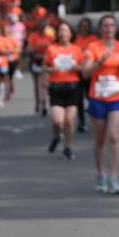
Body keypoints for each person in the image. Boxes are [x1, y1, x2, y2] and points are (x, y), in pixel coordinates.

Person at [82, 14, 119, 194]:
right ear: (100, 29)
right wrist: (99, 62)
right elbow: (85, 73)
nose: (108, 28)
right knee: (100, 139)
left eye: (111, 25)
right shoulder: (92, 47)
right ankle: (100, 174)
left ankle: (114, 176)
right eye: (105, 25)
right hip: (97, 97)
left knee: (114, 135)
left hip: (117, 97)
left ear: (115, 29)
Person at [44, 22, 84, 160]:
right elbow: (45, 66)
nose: (63, 33)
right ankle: (56, 136)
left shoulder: (76, 49)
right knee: (57, 121)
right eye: (60, 30)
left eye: (65, 30)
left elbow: (83, 67)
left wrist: (76, 68)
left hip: (72, 87)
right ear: (57, 34)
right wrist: (51, 70)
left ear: (70, 34)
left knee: (69, 121)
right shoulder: (51, 49)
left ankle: (68, 147)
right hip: (56, 87)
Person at [73, 17, 98, 133]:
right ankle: (81, 122)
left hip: (90, 73)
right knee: (78, 98)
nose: (84, 28)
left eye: (86, 26)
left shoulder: (94, 40)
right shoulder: (75, 40)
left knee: (91, 96)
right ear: (79, 27)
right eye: (82, 26)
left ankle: (96, 118)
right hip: (78, 72)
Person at [25, 21, 53, 115]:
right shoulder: (33, 36)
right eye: (41, 27)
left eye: (44, 27)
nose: (42, 28)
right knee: (37, 85)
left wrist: (44, 54)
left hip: (45, 63)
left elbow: (52, 49)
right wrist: (36, 51)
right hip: (35, 62)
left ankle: (43, 104)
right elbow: (29, 49)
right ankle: (37, 102)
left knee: (44, 84)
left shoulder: (49, 37)